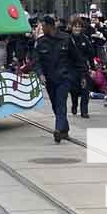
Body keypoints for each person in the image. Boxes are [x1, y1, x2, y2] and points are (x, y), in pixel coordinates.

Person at [33, 15, 86, 143]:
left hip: (65, 77)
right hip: (50, 79)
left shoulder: (66, 39)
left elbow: (77, 58)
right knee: (55, 104)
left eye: (43, 26)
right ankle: (64, 128)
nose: (41, 28)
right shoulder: (40, 42)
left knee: (60, 102)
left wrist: (83, 75)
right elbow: (36, 61)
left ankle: (58, 130)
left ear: (49, 26)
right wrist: (40, 74)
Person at [69, 18, 95, 118]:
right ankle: (74, 104)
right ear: (72, 27)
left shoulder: (85, 39)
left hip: (83, 68)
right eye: (75, 26)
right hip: (71, 68)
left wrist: (92, 68)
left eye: (79, 26)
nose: (77, 28)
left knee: (85, 89)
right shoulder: (68, 39)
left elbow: (90, 54)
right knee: (74, 90)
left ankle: (84, 111)